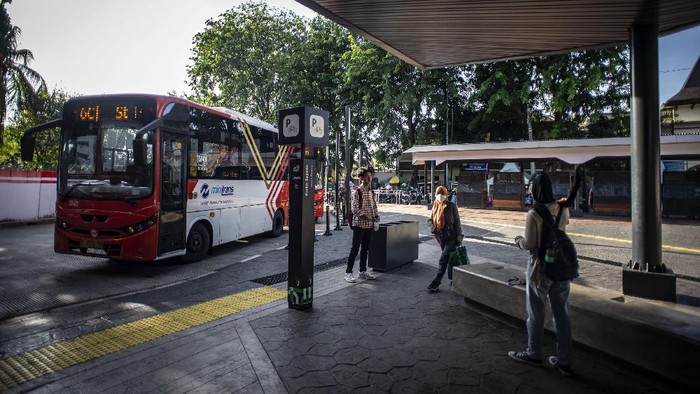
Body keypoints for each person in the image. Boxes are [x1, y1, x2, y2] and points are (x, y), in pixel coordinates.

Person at [508, 172, 575, 377]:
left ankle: (534, 354)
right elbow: (561, 227)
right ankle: (564, 361)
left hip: (540, 269)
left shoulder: (534, 213)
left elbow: (530, 245)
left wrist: (517, 239)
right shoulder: (563, 207)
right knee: (562, 314)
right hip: (561, 267)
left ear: (535, 189)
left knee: (536, 312)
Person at [345, 167, 380, 283]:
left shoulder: (371, 191)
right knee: (355, 249)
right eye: (367, 176)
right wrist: (365, 216)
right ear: (361, 178)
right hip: (359, 224)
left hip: (369, 225)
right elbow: (354, 209)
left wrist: (376, 217)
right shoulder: (357, 191)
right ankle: (348, 273)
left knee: (365, 249)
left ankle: (362, 271)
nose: (369, 178)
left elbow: (374, 207)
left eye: (370, 176)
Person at [427, 185, 463, 292]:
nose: (440, 196)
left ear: (446, 195)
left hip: (451, 237)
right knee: (449, 260)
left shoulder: (451, 206)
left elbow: (457, 222)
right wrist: (433, 228)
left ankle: (436, 283)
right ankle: (456, 279)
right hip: (440, 238)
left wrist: (459, 236)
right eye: (438, 194)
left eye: (442, 194)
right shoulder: (435, 206)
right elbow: (430, 220)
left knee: (443, 260)